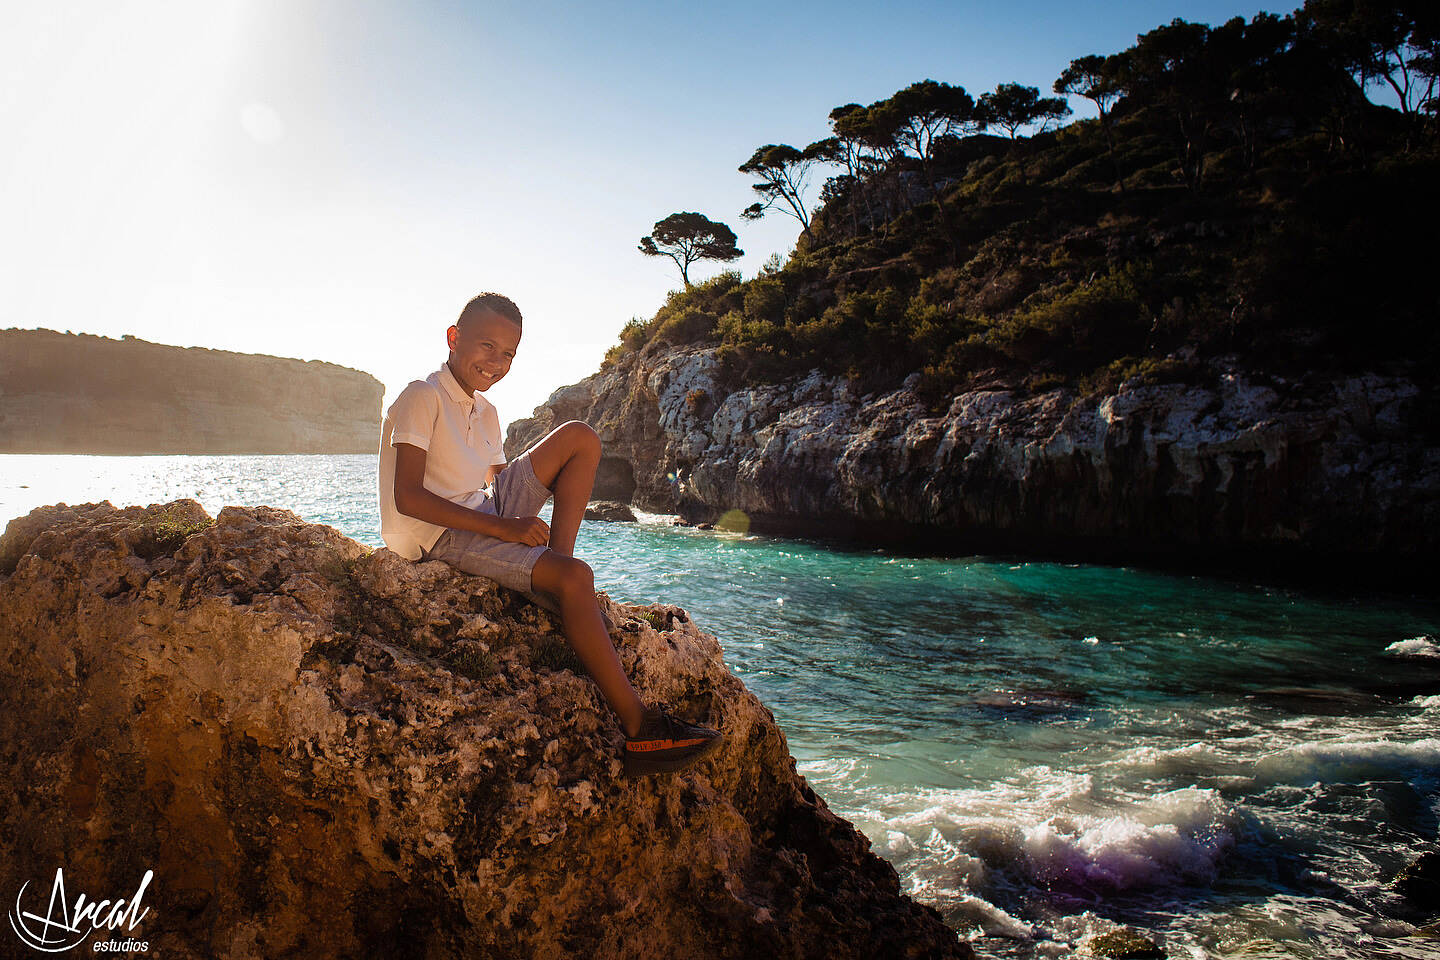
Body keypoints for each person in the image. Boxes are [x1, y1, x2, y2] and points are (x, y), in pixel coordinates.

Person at [377, 292, 720, 776]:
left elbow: (499, 482)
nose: (496, 362)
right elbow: (407, 498)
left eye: (509, 354)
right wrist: (505, 528)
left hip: (481, 509)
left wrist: (521, 526)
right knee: (576, 577)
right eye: (486, 346)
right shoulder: (422, 396)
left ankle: (554, 581)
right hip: (437, 534)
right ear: (453, 339)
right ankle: (642, 730)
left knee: (580, 435)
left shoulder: (487, 412)